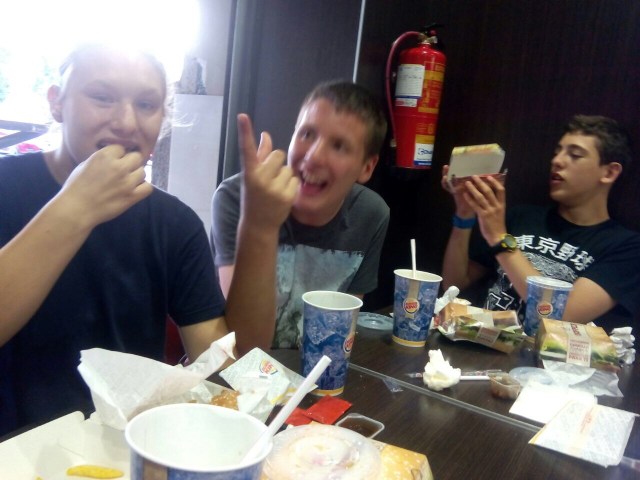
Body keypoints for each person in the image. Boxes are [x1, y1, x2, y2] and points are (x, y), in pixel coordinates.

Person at [0, 43, 295, 434]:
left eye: (146, 104)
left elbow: (234, 371)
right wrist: (76, 207)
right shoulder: (7, 186)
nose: (127, 123)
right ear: (57, 102)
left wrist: (259, 228)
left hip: (128, 446)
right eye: (102, 97)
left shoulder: (173, 224)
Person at [211, 80, 390, 352]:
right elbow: (243, 348)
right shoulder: (240, 197)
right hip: (236, 369)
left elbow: (339, 335)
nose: (314, 156)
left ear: (367, 167)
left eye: (339, 146)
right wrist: (258, 224)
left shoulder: (370, 215)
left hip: (315, 370)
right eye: (307, 134)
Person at [441, 115, 640, 332]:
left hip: (542, 352)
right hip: (478, 342)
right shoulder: (522, 217)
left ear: (609, 172)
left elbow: (563, 313)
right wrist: (464, 215)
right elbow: (454, 285)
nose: (557, 161)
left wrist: (500, 239)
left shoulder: (626, 247)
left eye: (575, 155)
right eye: (557, 152)